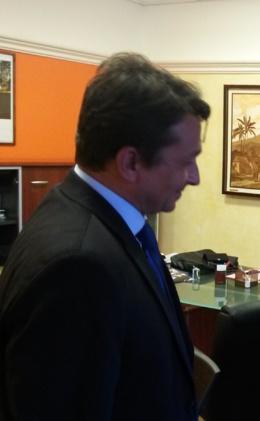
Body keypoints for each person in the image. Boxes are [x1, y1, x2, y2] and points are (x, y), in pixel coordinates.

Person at [0, 52, 210, 420]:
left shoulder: (102, 222)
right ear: (130, 162)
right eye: (185, 161)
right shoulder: (77, 266)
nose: (194, 177)